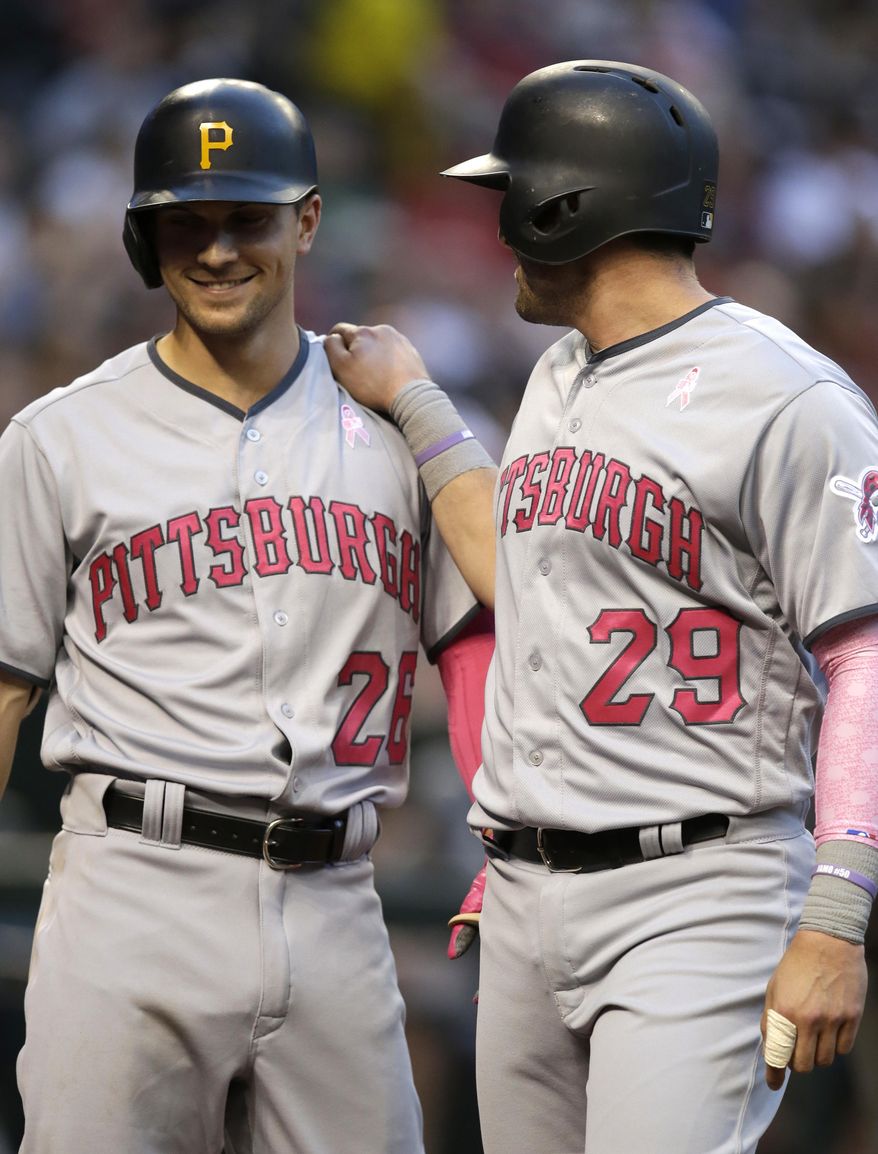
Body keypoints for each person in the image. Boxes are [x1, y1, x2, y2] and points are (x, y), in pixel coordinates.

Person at [325, 60, 878, 1154]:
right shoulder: (561, 373)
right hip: (530, 894)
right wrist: (417, 402)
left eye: (509, 195)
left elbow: (864, 656)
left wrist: (836, 913)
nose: (496, 224)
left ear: (563, 204)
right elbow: (519, 579)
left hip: (699, 886)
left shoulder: (788, 398)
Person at [0, 77, 496, 1154]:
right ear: (147, 234)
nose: (218, 250)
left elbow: (498, 618)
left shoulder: (394, 425)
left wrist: (422, 409)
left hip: (335, 896)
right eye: (188, 221)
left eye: (248, 219)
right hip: (134, 885)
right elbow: (3, 687)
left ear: (307, 220)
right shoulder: (58, 438)